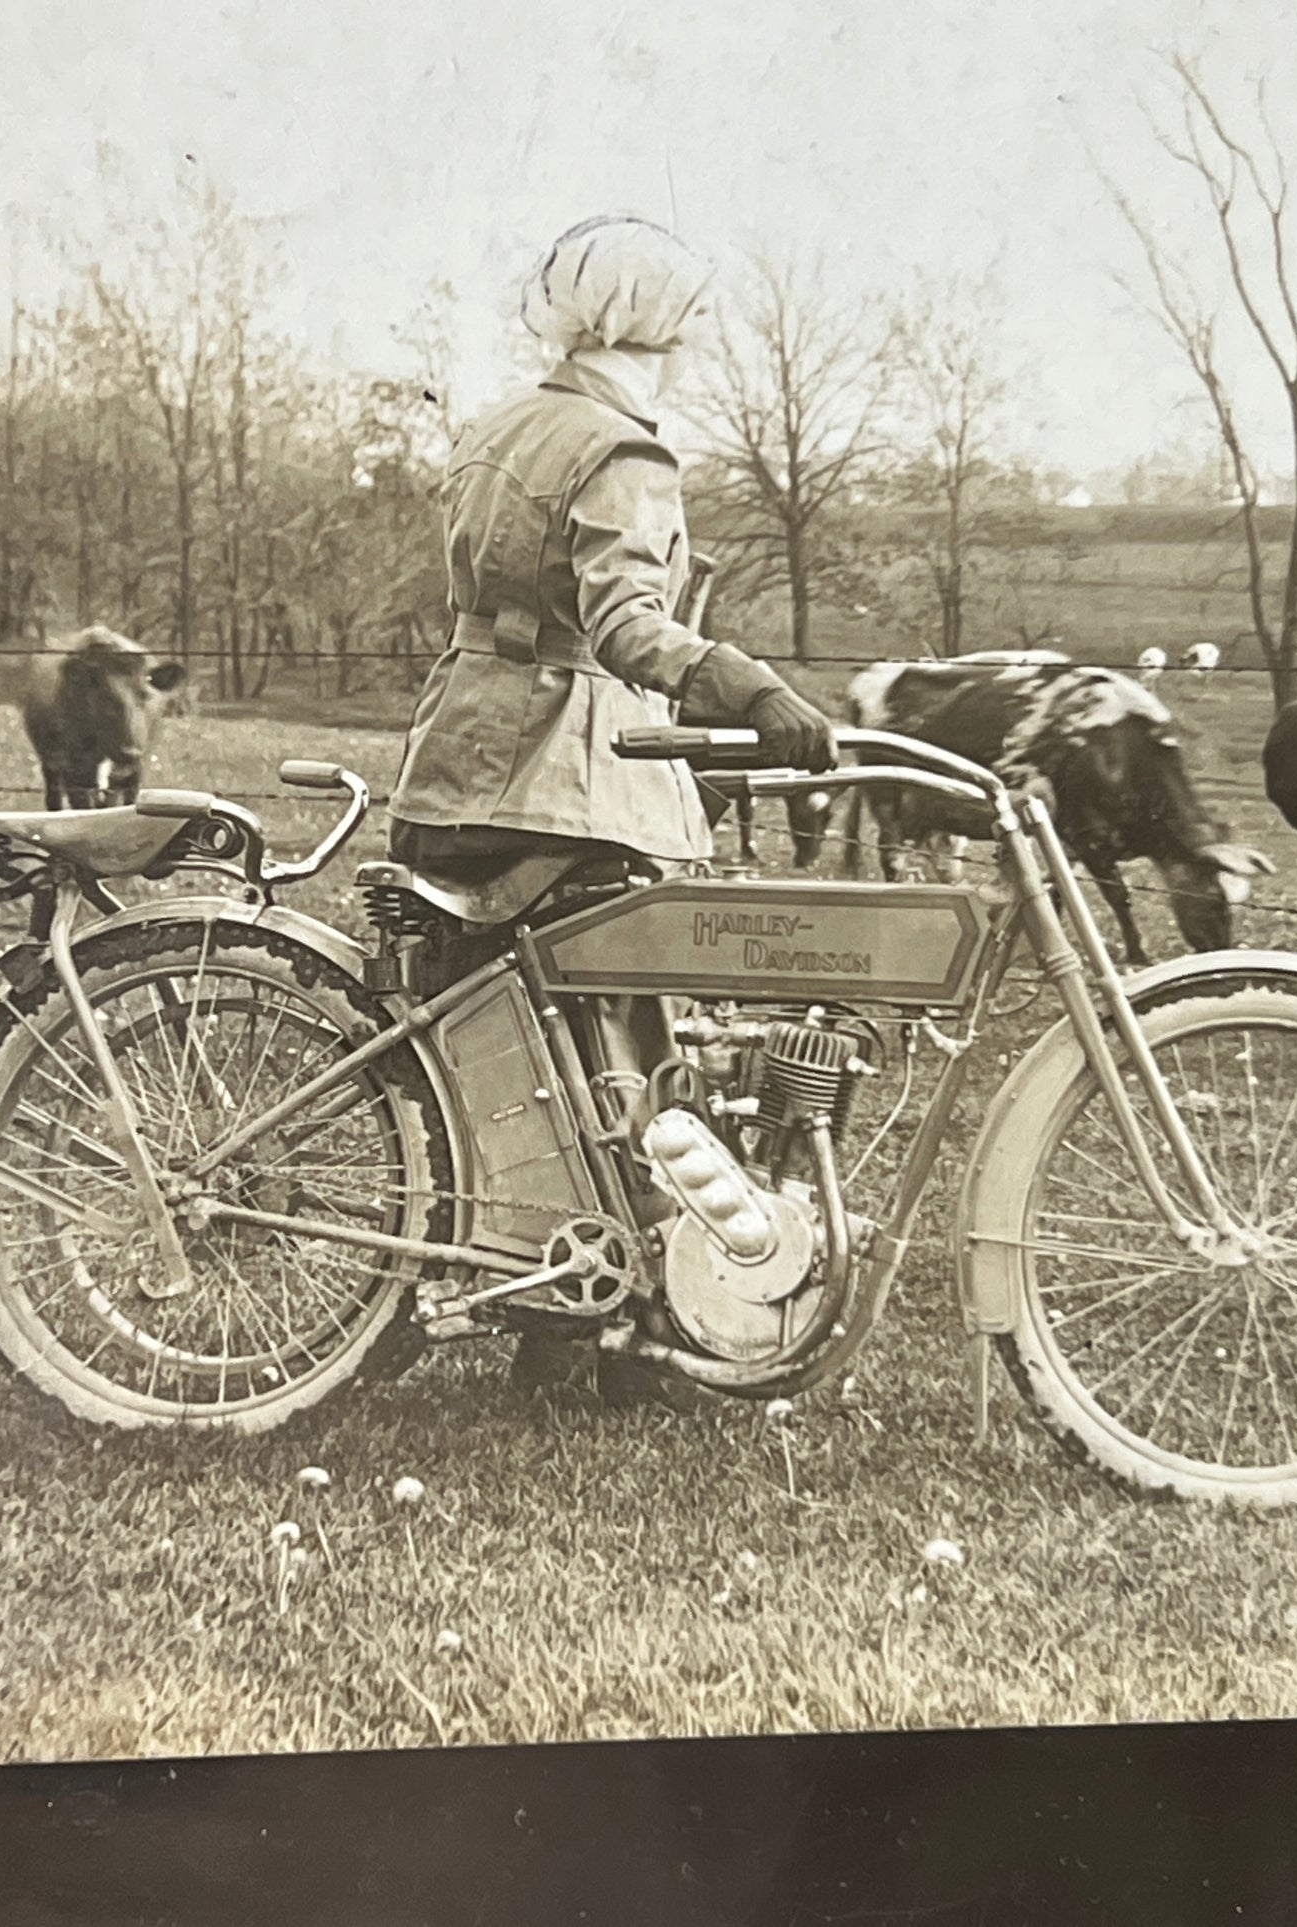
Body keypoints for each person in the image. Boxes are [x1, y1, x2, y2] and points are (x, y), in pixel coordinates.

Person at [387, 214, 837, 1399]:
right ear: (655, 327)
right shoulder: (621, 452)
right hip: (566, 780)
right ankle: (618, 1320)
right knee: (626, 1042)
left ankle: (554, 1302)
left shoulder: (499, 429)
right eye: (683, 325)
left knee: (505, 1043)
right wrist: (744, 684)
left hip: (459, 758)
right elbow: (625, 625)